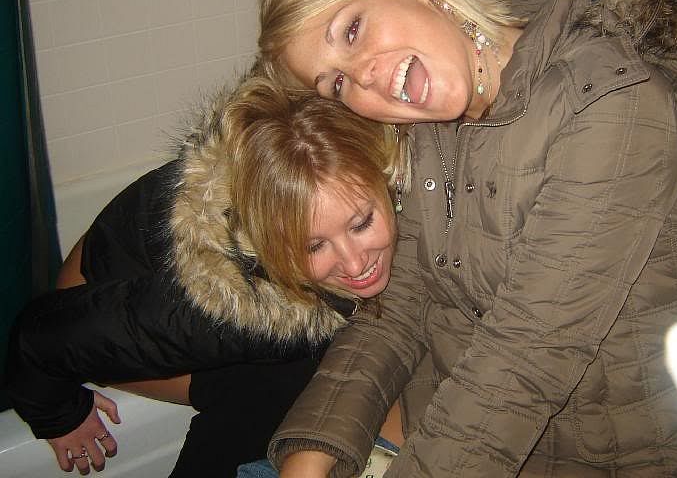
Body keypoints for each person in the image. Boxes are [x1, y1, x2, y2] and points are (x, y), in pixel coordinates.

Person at [251, 0, 677, 477]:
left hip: (598, 457)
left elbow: (527, 354)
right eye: (337, 83)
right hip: (460, 424)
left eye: (352, 30)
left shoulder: (611, 105)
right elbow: (402, 307)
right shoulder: (430, 117)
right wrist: (312, 449)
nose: (363, 75)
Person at [4, 74, 404, 477]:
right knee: (287, 382)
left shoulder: (341, 165)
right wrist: (59, 415)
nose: (356, 264)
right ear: (271, 245)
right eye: (314, 246)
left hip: (141, 246)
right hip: (98, 295)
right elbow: (39, 337)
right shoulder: (219, 306)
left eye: (361, 223)